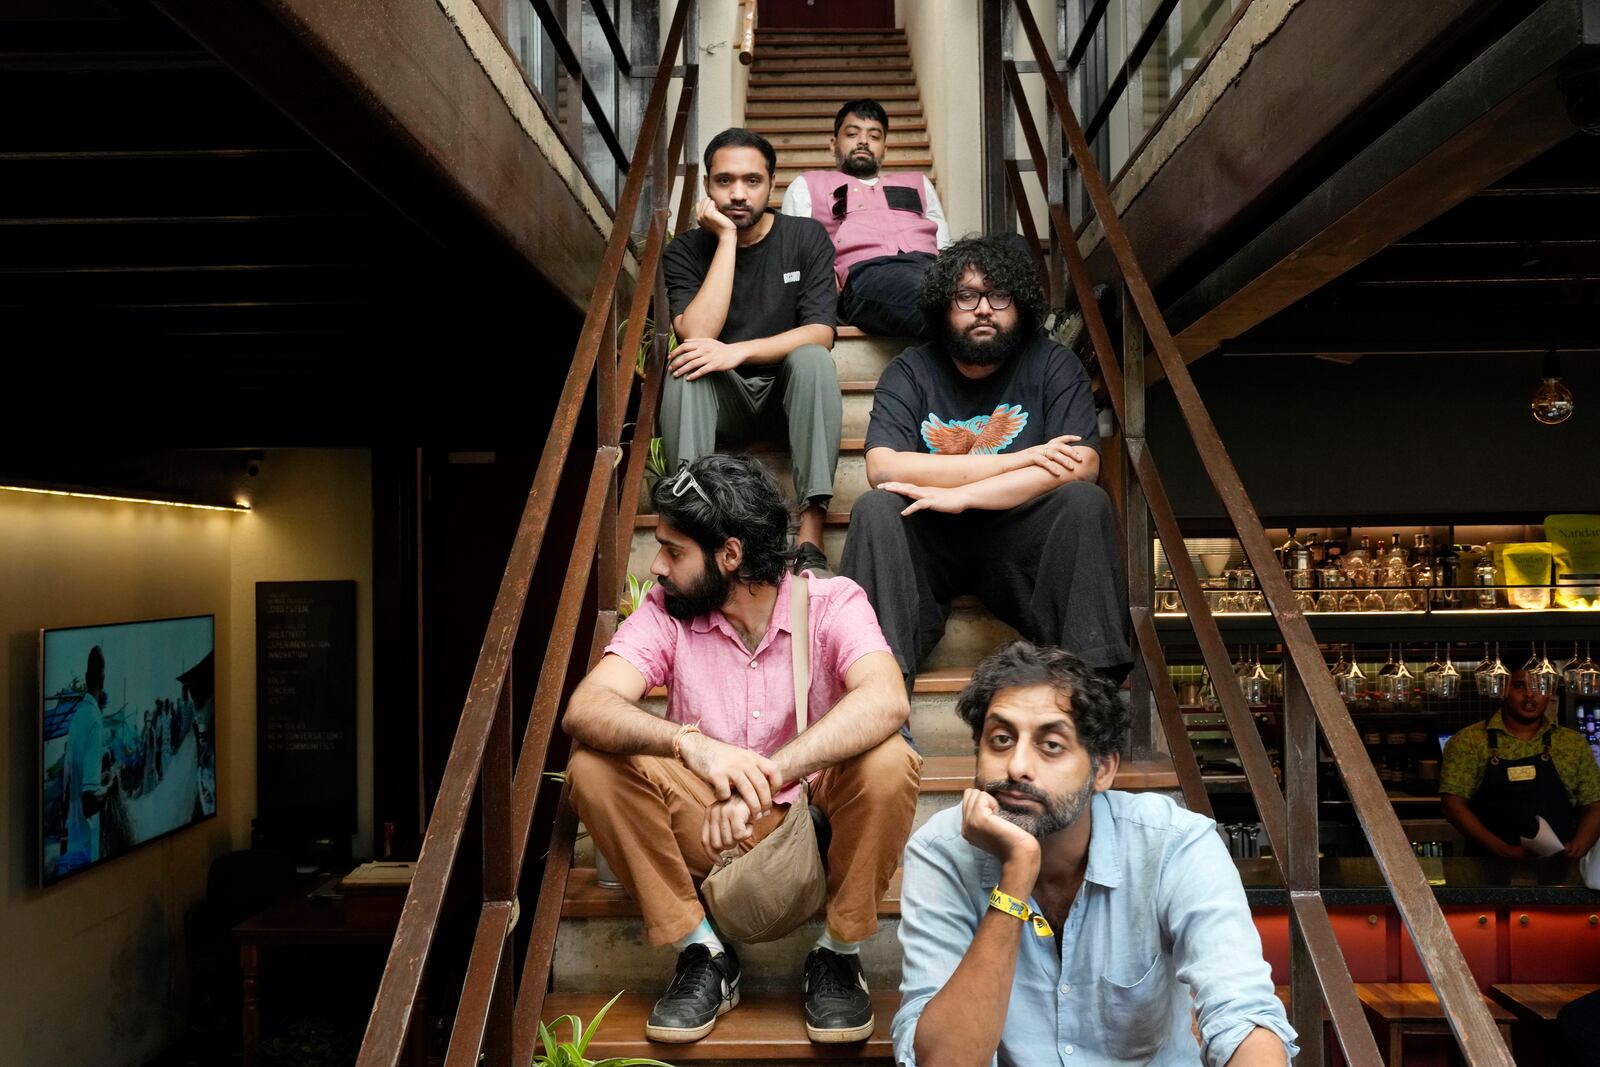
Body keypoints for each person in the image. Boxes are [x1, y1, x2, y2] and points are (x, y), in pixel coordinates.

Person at [562, 454, 920, 1045]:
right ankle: (703, 953)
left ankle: (837, 953)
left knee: (889, 760)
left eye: (674, 551)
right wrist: (693, 747)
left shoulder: (832, 603)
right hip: (710, 831)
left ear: (729, 555)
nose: (656, 567)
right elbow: (588, 708)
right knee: (592, 766)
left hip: (812, 828)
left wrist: (767, 774)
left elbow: (886, 698)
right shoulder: (665, 615)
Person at [893, 641, 1297, 1066]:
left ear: (1102, 770)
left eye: (1051, 745)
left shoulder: (1173, 844)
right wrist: (1016, 878)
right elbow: (944, 1061)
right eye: (1000, 739)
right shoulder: (942, 852)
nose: (1016, 767)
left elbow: (1242, 1014)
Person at [839, 235, 1132, 688]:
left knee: (1084, 502)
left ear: (1020, 306)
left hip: (1019, 533)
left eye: (999, 296)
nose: (983, 309)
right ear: (944, 305)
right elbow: (884, 467)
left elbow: (1080, 465)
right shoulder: (910, 370)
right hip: (930, 533)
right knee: (875, 508)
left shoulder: (1053, 364)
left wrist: (965, 494)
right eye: (967, 296)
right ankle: (879, 694)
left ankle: (1089, 695)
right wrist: (1017, 463)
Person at [662, 128, 842, 576]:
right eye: (724, 181)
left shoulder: (805, 237)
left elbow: (820, 332)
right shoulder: (685, 250)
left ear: (773, 182)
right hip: (727, 402)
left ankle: (811, 530)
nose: (737, 194)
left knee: (813, 359)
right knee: (687, 368)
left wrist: (736, 352)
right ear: (707, 186)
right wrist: (725, 240)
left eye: (751, 181)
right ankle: (693, 523)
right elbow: (697, 334)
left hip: (789, 396)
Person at [781, 98, 949, 338]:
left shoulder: (918, 182)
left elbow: (944, 245)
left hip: (931, 268)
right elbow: (793, 250)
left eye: (874, 136)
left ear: (885, 148)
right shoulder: (807, 185)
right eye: (852, 134)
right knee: (924, 295)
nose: (863, 141)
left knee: (1009, 249)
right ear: (833, 144)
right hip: (867, 274)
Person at [1440, 668, 1600, 859]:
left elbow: (1594, 804)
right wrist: (1502, 850)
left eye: (1539, 685)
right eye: (1519, 686)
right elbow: (1453, 806)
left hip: (1558, 870)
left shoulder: (1571, 743)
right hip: (1486, 870)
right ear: (1502, 689)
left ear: (1550, 691)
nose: (1530, 695)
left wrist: (1579, 847)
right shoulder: (1469, 740)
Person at [62, 645, 116, 874]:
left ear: (86, 678)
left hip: (71, 845)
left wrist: (99, 778)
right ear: (103, 680)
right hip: (86, 852)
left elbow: (73, 784)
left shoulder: (77, 719)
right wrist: (111, 787)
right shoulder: (95, 720)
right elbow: (89, 802)